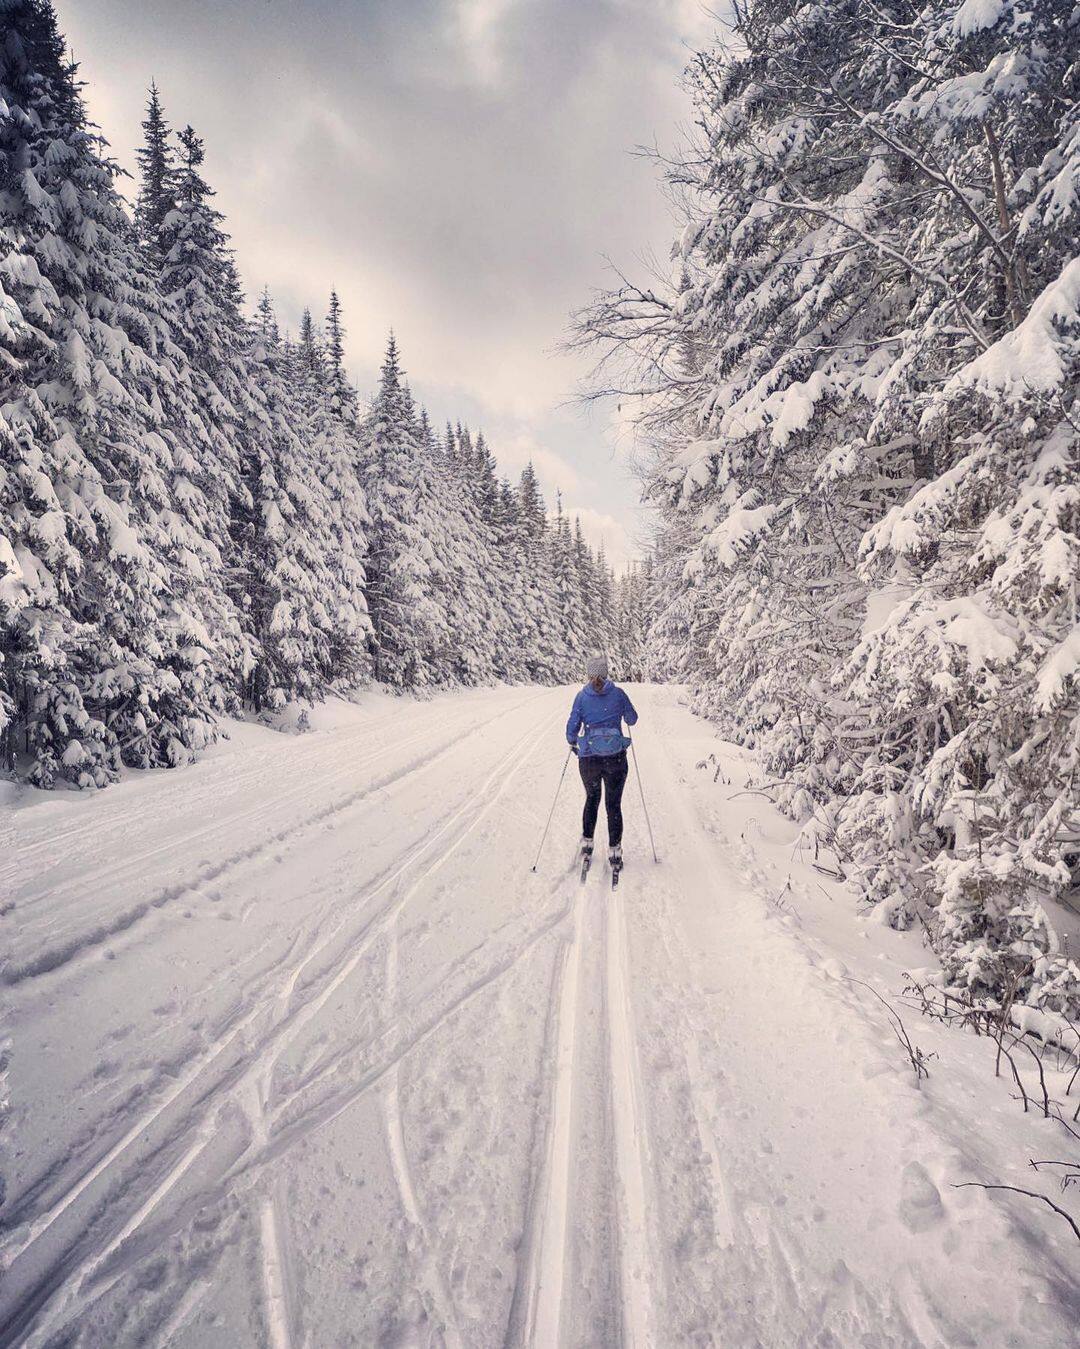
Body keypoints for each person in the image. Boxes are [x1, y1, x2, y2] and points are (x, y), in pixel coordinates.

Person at [565, 655, 638, 870]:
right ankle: (615, 850)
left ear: (589, 674)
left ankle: (587, 844)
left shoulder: (581, 697)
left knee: (592, 799)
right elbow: (632, 719)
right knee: (613, 804)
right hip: (615, 758)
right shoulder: (618, 694)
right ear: (606, 674)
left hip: (589, 760)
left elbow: (571, 729)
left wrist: (573, 742)